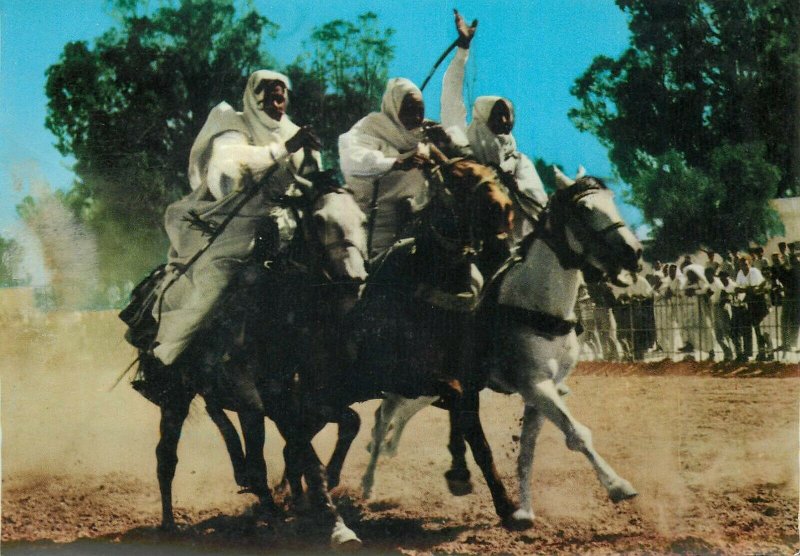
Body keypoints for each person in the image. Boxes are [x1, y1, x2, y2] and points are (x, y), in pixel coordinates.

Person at [151, 70, 322, 366]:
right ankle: (169, 352)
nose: (276, 104)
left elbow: (311, 179)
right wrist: (283, 149)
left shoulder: (294, 132)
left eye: (281, 98)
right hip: (239, 220)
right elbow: (229, 163)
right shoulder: (234, 123)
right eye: (269, 97)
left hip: (290, 220)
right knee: (213, 282)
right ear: (254, 98)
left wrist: (311, 161)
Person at [440, 9, 548, 244]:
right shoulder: (464, 143)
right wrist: (463, 50)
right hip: (468, 239)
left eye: (509, 116)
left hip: (514, 246)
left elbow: (539, 207)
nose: (505, 121)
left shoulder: (518, 162)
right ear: (483, 115)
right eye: (498, 114)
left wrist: (512, 185)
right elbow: (451, 93)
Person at [339, 78, 430, 258]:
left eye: (420, 111)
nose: (416, 118)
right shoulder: (371, 127)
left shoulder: (425, 136)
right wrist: (395, 163)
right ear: (394, 108)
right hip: (371, 230)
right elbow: (353, 158)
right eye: (409, 110)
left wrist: (447, 141)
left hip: (412, 229)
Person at [734, 255, 770, 361]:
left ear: (749, 263)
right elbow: (737, 288)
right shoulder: (740, 273)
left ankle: (762, 352)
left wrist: (743, 289)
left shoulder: (754, 271)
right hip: (748, 303)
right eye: (741, 265)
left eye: (745, 264)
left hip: (759, 303)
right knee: (747, 328)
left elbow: (753, 289)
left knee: (759, 328)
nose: (744, 267)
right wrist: (744, 290)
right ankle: (747, 353)